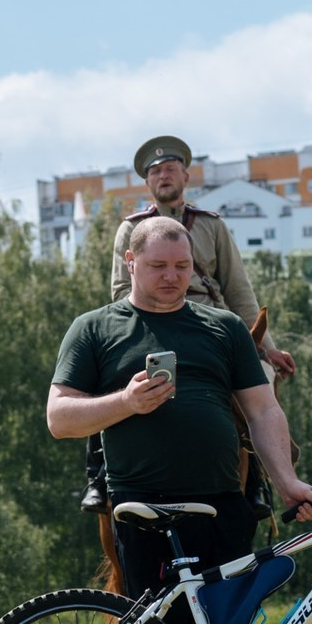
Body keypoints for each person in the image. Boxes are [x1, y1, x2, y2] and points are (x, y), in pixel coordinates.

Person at [51, 216, 312, 624]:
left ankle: (258, 494)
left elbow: (263, 411)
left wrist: (287, 481)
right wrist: (125, 402)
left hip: (222, 504)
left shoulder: (226, 328)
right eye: (158, 266)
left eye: (182, 266)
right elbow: (59, 418)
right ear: (130, 261)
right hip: (141, 509)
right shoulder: (93, 329)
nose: (172, 276)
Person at [83, 135, 294, 512]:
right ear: (148, 182)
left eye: (169, 168)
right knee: (109, 379)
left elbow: (239, 290)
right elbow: (119, 290)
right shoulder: (130, 228)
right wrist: (133, 327)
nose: (163, 176)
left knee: (260, 379)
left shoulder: (212, 226)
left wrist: (269, 347)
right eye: (155, 171)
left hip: (209, 327)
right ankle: (98, 475)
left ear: (185, 175)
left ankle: (259, 478)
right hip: (149, 327)